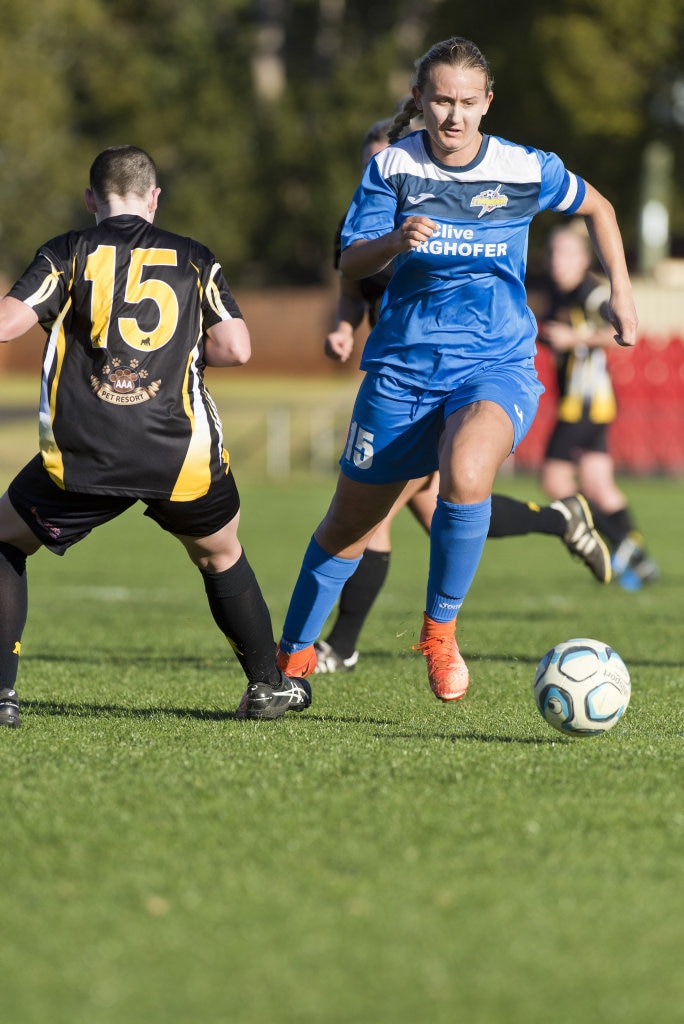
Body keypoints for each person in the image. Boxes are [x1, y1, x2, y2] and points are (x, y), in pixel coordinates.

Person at [262, 35, 637, 711]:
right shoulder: (392, 170)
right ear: (419, 100)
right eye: (441, 100)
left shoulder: (525, 168)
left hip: (494, 363)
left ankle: (439, 634)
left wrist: (625, 298)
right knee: (347, 527)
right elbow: (349, 264)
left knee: (467, 471)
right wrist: (394, 241)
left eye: (468, 101)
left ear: (487, 103)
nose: (455, 115)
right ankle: (288, 664)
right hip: (402, 372)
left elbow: (600, 208)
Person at [0, 144, 311, 727]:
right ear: (154, 197)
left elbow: (7, 324)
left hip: (87, 452)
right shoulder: (194, 258)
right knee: (221, 554)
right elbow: (237, 349)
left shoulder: (69, 251)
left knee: (4, 541)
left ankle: (2, 698)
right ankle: (268, 685)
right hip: (180, 452)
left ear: (91, 198)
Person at [316, 123, 612, 674]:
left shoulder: (451, 200)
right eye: (374, 166)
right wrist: (343, 326)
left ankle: (343, 644)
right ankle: (560, 520)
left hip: (444, 378)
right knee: (445, 513)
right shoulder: (365, 220)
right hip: (400, 377)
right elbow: (351, 285)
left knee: (391, 516)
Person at [538, 220, 659, 591]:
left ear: (584, 259)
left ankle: (619, 544)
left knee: (554, 481)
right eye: (554, 252)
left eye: (568, 253)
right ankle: (641, 560)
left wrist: (576, 337)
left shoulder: (589, 292)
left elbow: (623, 331)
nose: (559, 260)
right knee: (600, 486)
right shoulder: (557, 292)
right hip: (593, 403)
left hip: (585, 403)